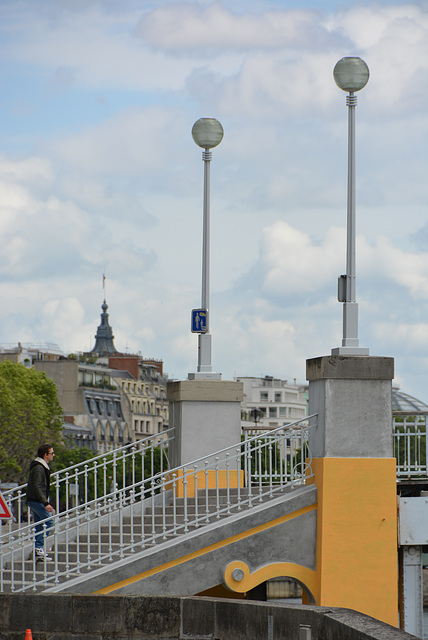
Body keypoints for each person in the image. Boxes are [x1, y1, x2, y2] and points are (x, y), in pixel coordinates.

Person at [26, 444, 55, 561]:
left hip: (34, 500)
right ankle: (38, 547)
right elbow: (37, 486)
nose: (53, 455)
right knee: (49, 521)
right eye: (52, 453)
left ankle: (38, 550)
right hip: (37, 500)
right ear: (45, 455)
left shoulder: (41, 467)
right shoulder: (39, 468)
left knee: (39, 525)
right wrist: (45, 503)